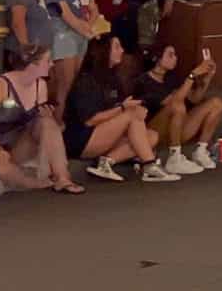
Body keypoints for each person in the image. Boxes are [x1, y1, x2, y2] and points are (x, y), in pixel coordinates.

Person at [62, 36, 179, 182]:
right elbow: (90, 120)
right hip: (82, 139)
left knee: (152, 136)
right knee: (131, 115)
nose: (122, 51)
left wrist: (134, 108)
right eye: (117, 47)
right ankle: (149, 165)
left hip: (105, 134)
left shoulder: (113, 77)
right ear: (104, 51)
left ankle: (107, 161)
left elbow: (122, 105)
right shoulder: (86, 80)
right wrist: (123, 109)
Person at [0, 45, 80, 194]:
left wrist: (47, 117)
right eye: (47, 61)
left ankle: (62, 177)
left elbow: (38, 124)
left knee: (47, 123)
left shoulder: (40, 85)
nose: (52, 64)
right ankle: (34, 183)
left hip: (20, 144)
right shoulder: (1, 85)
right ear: (33, 64)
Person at [136, 44, 222, 175]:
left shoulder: (171, 77)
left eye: (175, 54)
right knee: (177, 105)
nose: (175, 58)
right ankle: (174, 158)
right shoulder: (144, 81)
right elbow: (174, 102)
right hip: (154, 133)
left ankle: (201, 151)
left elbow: (195, 98)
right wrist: (192, 75)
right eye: (170, 55)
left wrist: (207, 78)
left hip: (177, 128)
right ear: (157, 59)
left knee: (216, 103)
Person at [44, 0, 99, 117]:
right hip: (63, 34)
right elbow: (65, 14)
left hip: (81, 32)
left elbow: (93, 8)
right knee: (64, 83)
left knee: (75, 82)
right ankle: (57, 120)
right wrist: (85, 29)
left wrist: (88, 26)